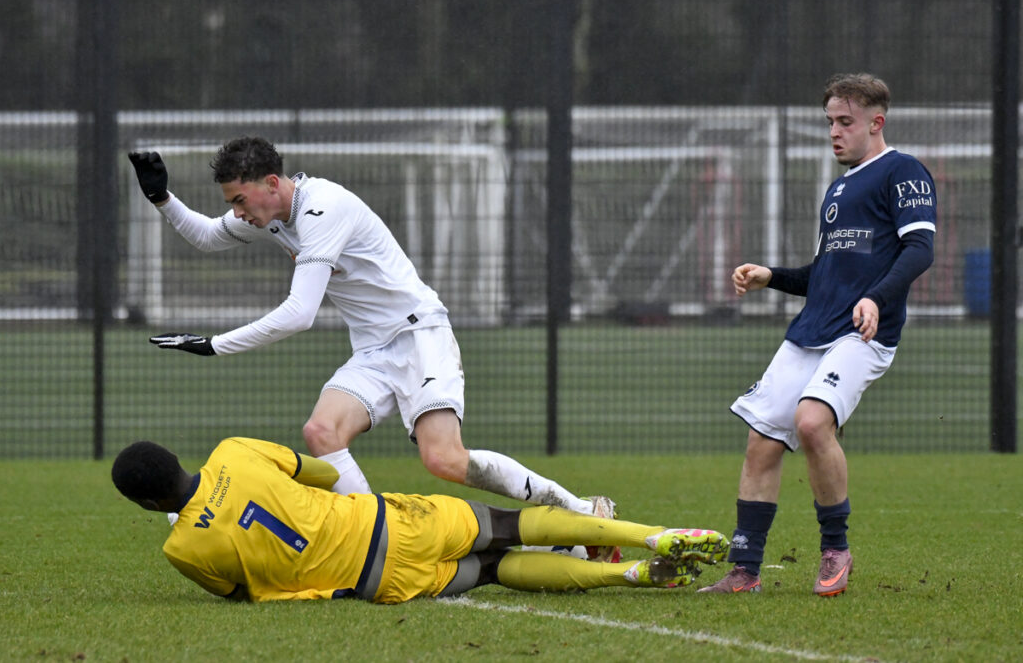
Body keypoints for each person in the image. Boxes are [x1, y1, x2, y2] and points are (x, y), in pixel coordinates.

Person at [127, 138, 619, 560]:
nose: (236, 212)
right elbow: (208, 237)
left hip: (419, 335)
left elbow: (299, 314)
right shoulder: (271, 216)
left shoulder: (323, 210)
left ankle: (582, 512)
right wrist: (162, 197)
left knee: (443, 458)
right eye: (232, 203)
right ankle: (376, 541)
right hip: (374, 351)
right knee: (322, 432)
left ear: (270, 184)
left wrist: (215, 346)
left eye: (239, 200)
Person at [698, 74, 936, 597]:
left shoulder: (903, 171)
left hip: (862, 330)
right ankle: (744, 570)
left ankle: (835, 548)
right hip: (812, 329)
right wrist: (773, 277)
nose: (834, 132)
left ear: (877, 122)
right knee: (761, 442)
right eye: (830, 121)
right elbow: (827, 272)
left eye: (845, 122)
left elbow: (919, 249)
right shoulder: (839, 188)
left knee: (810, 423)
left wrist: (876, 297)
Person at [111, 437, 729, 603]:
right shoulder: (232, 452)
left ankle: (626, 578)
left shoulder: (182, 552)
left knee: (498, 573)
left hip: (380, 581)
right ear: (175, 458)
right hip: (393, 521)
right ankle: (647, 537)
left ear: (146, 505)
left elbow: (236, 591)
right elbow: (323, 475)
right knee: (512, 527)